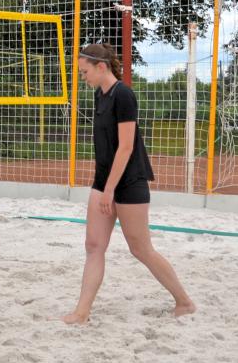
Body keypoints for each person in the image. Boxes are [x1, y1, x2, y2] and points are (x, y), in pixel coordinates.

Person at [62, 44, 194, 324]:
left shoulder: (123, 95)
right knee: (94, 245)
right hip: (104, 179)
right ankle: (81, 312)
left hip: (129, 181)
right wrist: (104, 187)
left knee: (140, 249)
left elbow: (125, 147)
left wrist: (110, 190)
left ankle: (184, 302)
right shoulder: (100, 94)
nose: (82, 77)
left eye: (84, 72)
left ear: (101, 67)